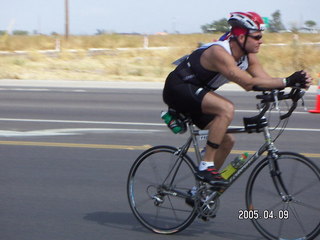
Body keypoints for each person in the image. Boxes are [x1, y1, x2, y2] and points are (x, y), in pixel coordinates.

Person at [162, 11, 312, 187]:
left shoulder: (248, 56)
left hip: (199, 93)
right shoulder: (219, 52)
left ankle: (199, 192)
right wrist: (286, 81)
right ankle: (206, 165)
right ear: (241, 38)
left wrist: (291, 88)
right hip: (178, 88)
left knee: (227, 141)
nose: (261, 40)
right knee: (226, 108)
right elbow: (248, 83)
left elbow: (264, 80)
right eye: (256, 37)